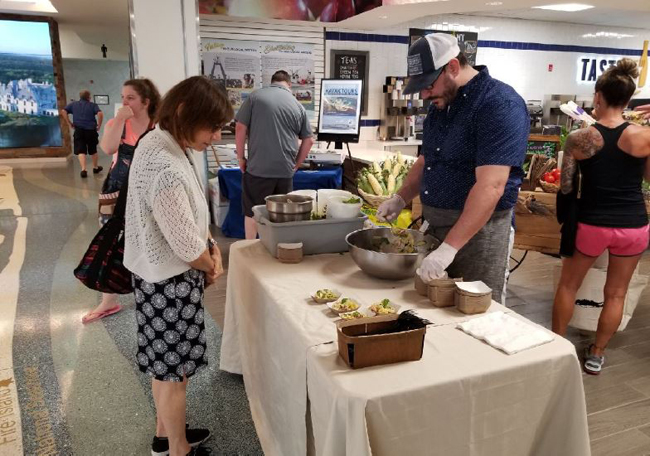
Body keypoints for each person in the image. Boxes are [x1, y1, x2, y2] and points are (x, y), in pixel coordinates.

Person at [377, 33, 530, 304]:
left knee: (476, 312)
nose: (424, 94)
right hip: (436, 227)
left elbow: (491, 185)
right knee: (434, 309)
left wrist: (449, 248)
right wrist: (401, 197)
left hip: (479, 235)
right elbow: (427, 160)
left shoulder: (498, 104)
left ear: (453, 67)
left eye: (428, 84)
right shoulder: (441, 106)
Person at [124, 76, 233, 456]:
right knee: (175, 376)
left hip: (155, 278)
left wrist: (210, 249)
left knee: (165, 369)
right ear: (185, 112)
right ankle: (178, 449)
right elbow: (186, 247)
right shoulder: (165, 164)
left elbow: (187, 222)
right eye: (213, 127)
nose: (216, 138)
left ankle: (164, 434)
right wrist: (211, 264)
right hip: (169, 284)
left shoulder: (158, 140)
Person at [552, 58, 650, 375]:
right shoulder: (644, 137)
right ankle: (596, 354)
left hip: (592, 223)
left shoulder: (580, 138)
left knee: (568, 286)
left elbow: (566, 186)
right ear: (628, 100)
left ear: (598, 96)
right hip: (633, 225)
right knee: (616, 293)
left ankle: (557, 348)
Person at [81, 78, 161, 324]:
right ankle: (109, 301)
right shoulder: (118, 124)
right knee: (111, 240)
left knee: (149, 239)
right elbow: (107, 148)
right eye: (123, 97)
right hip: (117, 191)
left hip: (149, 191)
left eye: (131, 98)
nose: (125, 102)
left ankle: (148, 289)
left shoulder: (159, 125)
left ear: (146, 102)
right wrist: (119, 120)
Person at [235, 69, 314, 239]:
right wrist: (296, 165)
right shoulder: (298, 105)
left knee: (252, 211)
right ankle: (279, 248)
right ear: (289, 85)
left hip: (258, 169)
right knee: (282, 214)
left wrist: (240, 158)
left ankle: (251, 247)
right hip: (285, 171)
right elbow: (309, 140)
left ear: (272, 82)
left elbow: (240, 127)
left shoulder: (255, 97)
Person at [61, 90, 104, 178]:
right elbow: (100, 113)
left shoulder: (73, 104)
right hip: (91, 130)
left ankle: (83, 170)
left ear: (80, 97)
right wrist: (99, 125)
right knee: (93, 149)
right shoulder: (93, 105)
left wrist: (69, 123)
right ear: (89, 97)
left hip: (79, 130)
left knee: (81, 150)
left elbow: (63, 111)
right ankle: (95, 168)